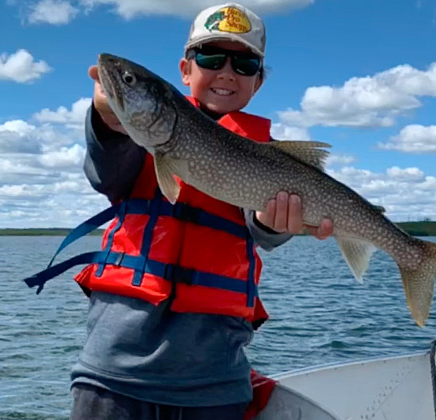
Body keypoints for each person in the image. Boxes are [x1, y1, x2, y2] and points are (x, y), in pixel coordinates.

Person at [69, 3, 333, 419]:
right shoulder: (138, 139)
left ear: (258, 82)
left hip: (213, 379)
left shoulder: (267, 156)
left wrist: (274, 223)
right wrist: (106, 120)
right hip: (112, 373)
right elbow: (108, 172)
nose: (227, 71)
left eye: (244, 62)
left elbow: (261, 231)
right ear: (185, 70)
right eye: (211, 57)